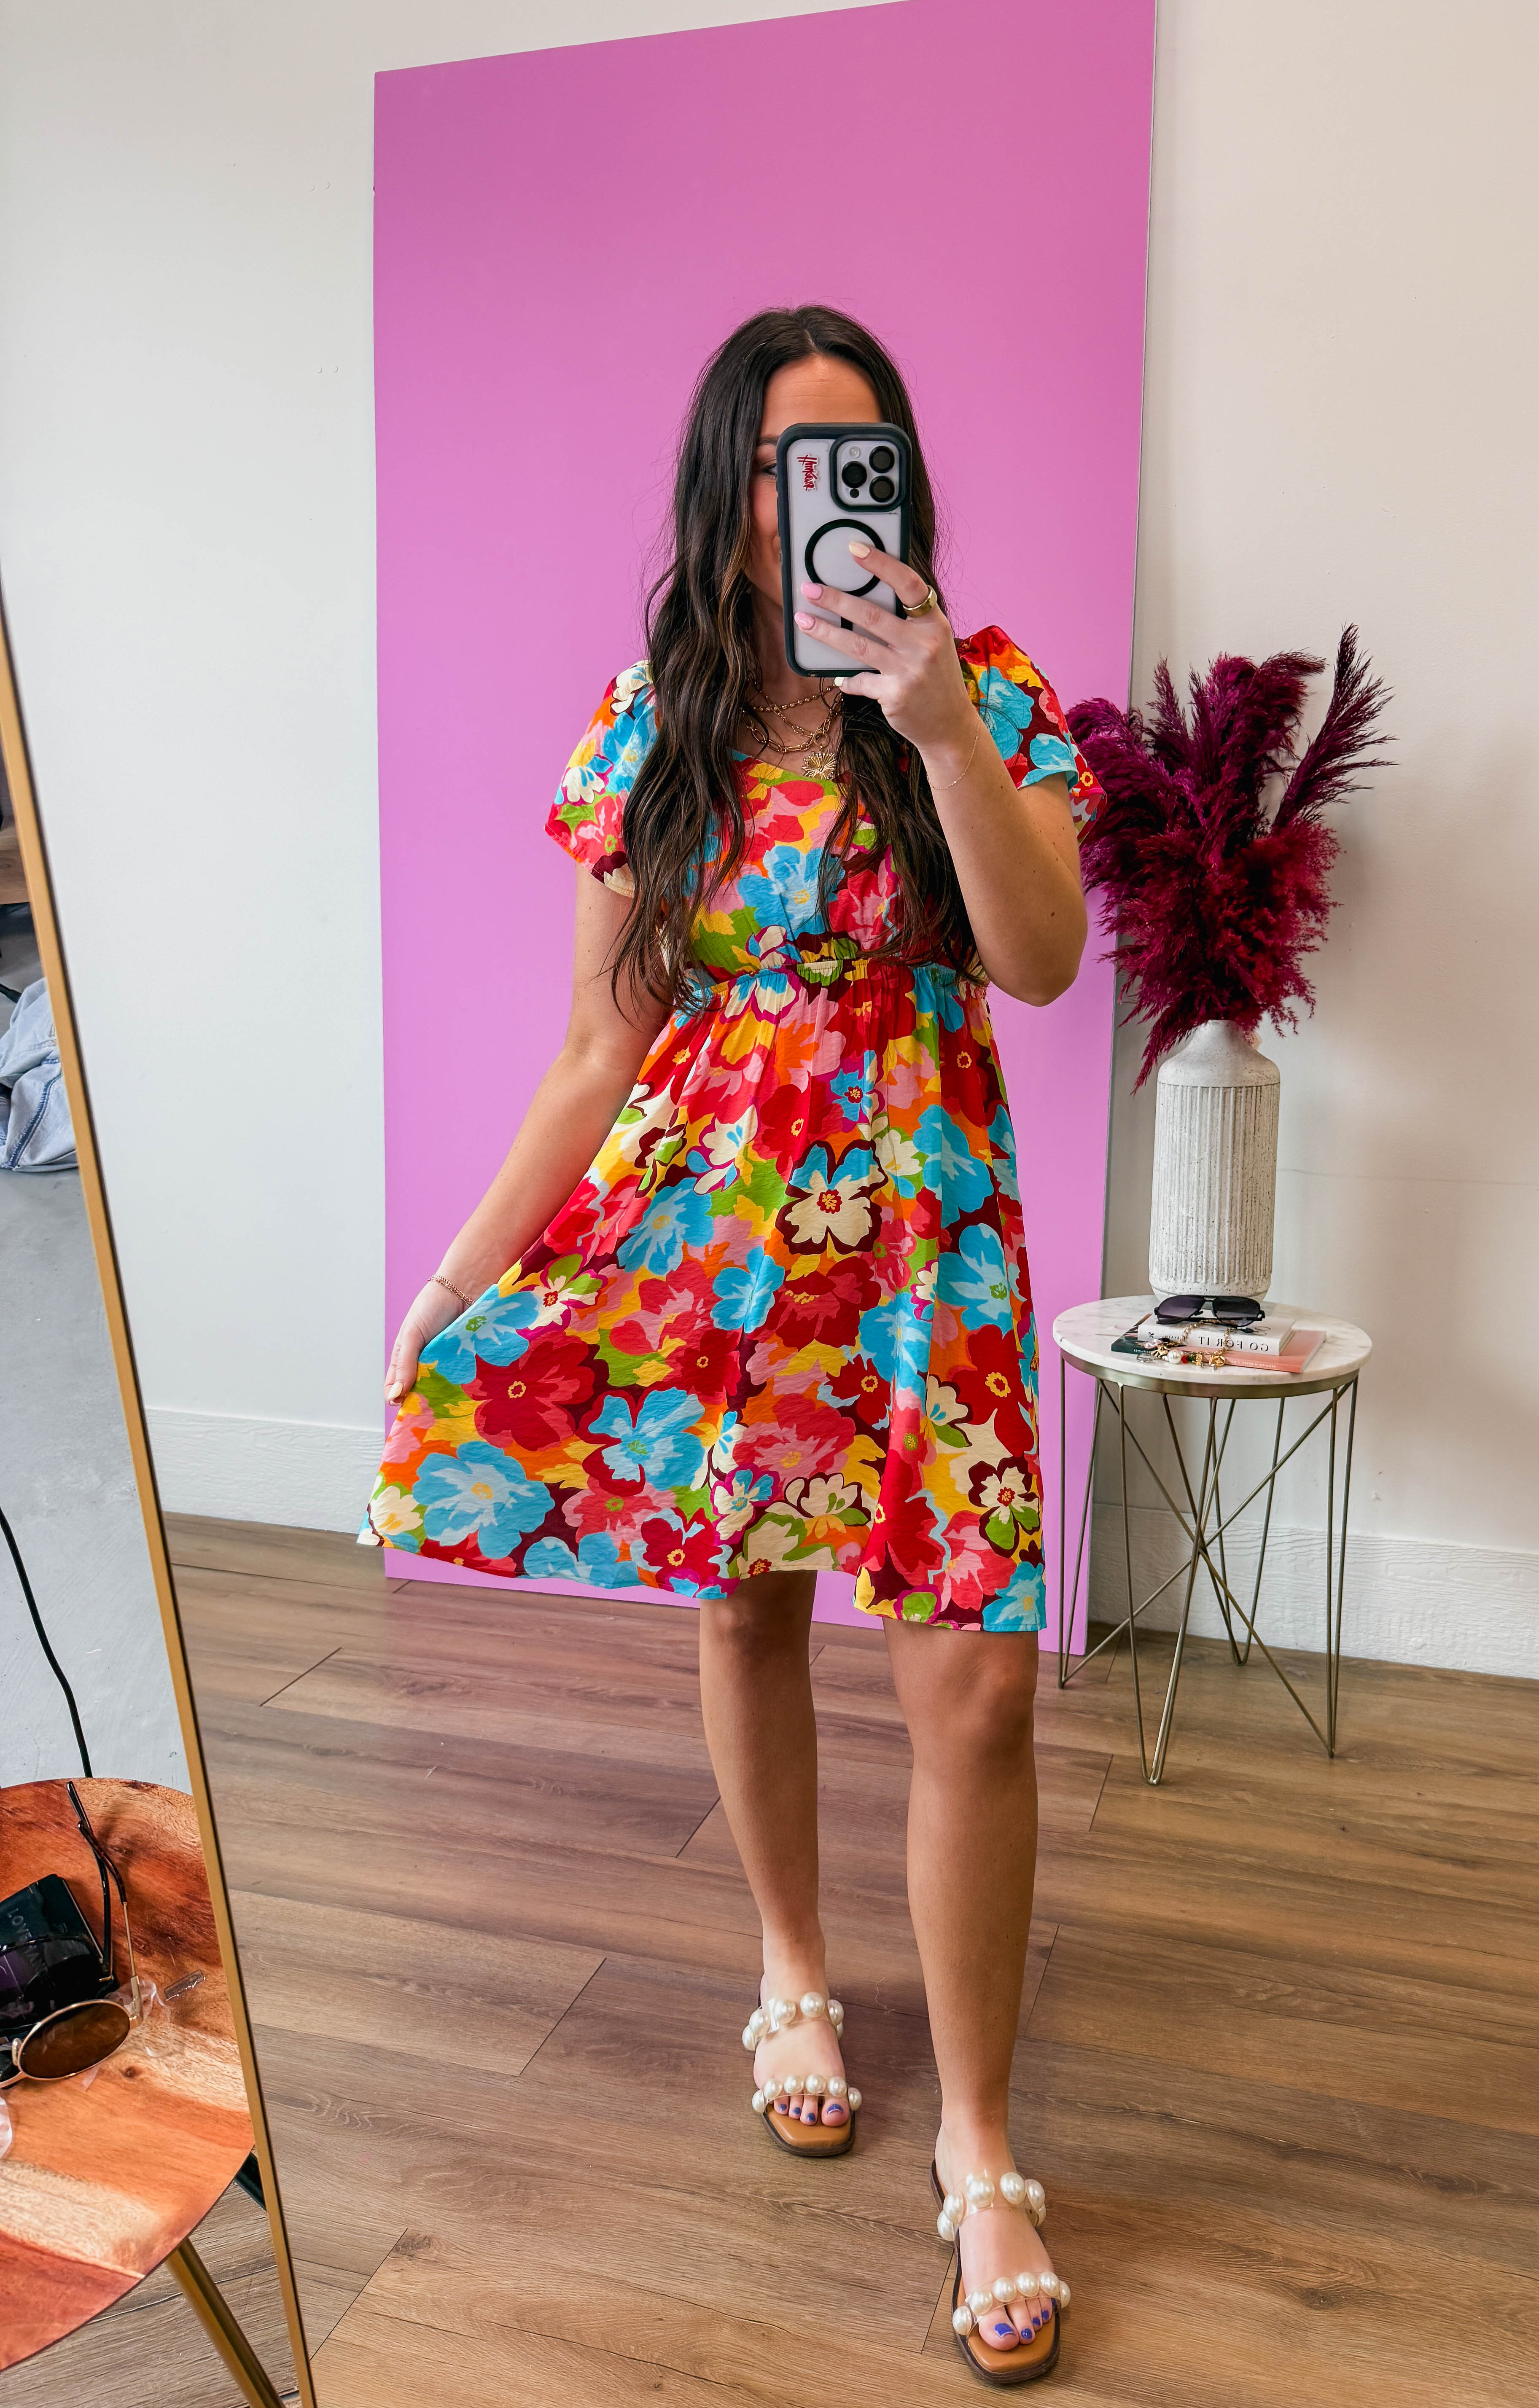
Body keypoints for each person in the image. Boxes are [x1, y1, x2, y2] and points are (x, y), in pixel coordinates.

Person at [369, 305, 1097, 2384]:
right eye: (792, 468)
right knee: (748, 1608)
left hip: (931, 1253)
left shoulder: (987, 691)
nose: (828, 506)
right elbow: (596, 1049)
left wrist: (937, 727)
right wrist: (461, 1276)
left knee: (976, 1689)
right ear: (729, 493)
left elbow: (1044, 963)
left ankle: (980, 2145)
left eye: (863, 462)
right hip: (721, 1250)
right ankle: (794, 1970)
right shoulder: (650, 724)